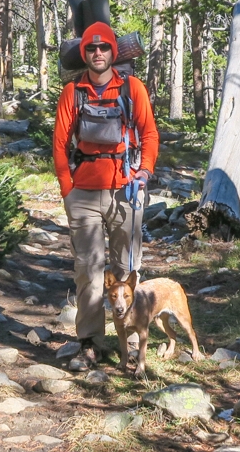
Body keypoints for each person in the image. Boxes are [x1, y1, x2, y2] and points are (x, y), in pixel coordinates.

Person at [52, 21, 159, 370]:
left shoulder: (133, 87)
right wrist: (68, 188)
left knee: (127, 267)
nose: (98, 53)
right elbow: (59, 142)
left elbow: (149, 133)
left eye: (104, 48)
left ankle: (128, 333)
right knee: (88, 269)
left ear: (114, 52)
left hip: (126, 191)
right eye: (91, 49)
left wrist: (144, 170)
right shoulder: (74, 91)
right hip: (83, 193)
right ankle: (90, 340)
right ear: (84, 54)